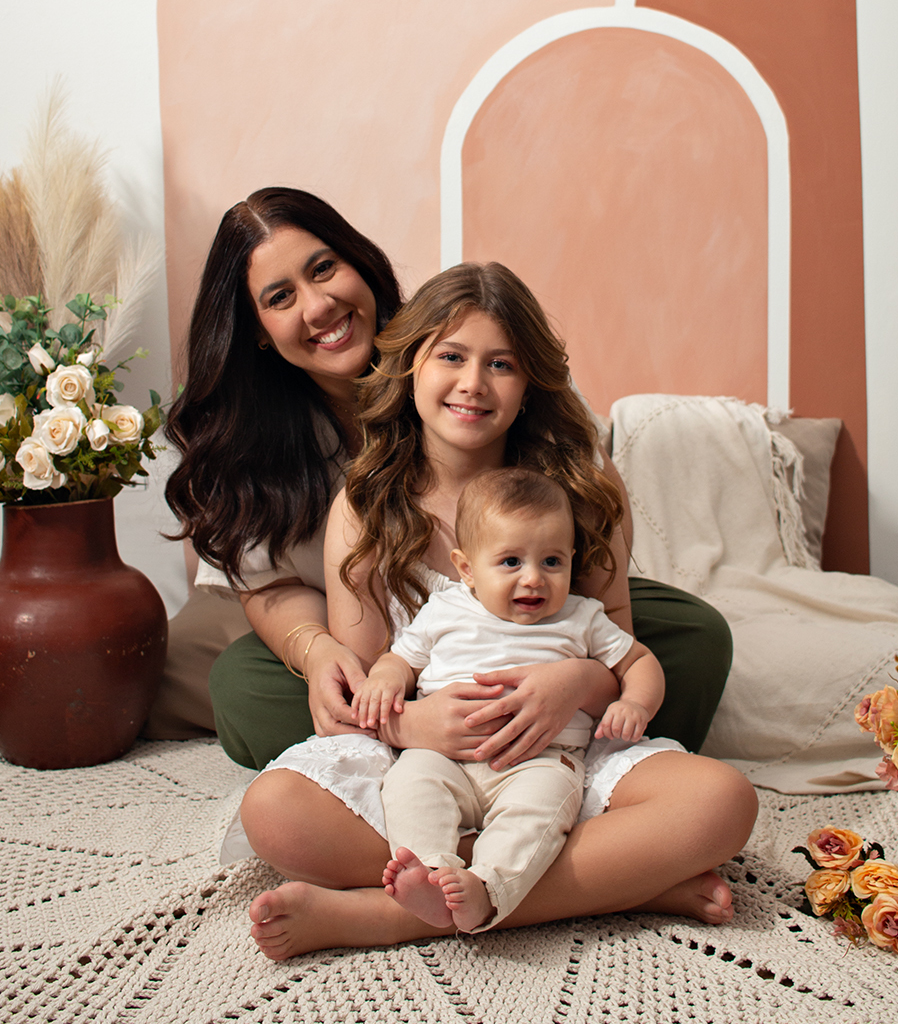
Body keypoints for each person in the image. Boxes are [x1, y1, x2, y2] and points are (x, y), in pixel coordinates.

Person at [237, 262, 758, 960]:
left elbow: (618, 652)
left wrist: (573, 684)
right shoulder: (364, 508)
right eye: (451, 357)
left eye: (501, 364)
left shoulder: (581, 486)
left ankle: (387, 916)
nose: (474, 384)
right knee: (273, 813)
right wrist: (417, 723)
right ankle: (619, 881)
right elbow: (366, 686)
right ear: (410, 367)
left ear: (530, 382)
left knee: (725, 802)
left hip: (559, 757)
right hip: (424, 758)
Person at [148, 187, 733, 766]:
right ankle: (435, 747)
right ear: (256, 327)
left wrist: (580, 677)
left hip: (530, 602)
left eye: (324, 268)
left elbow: (595, 556)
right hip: (369, 626)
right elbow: (271, 589)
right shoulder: (260, 445)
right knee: (245, 689)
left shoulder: (465, 337)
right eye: (280, 297)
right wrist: (323, 654)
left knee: (694, 638)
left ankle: (554, 745)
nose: (319, 305)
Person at [361, 467, 665, 934]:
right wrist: (385, 678)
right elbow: (401, 660)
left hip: (540, 759)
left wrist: (635, 704)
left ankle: (487, 888)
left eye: (552, 561)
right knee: (409, 785)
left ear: (572, 561)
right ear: (467, 568)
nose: (533, 579)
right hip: (444, 756)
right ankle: (431, 872)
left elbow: (639, 661)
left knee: (537, 812)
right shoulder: (445, 609)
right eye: (510, 562)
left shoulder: (581, 616)